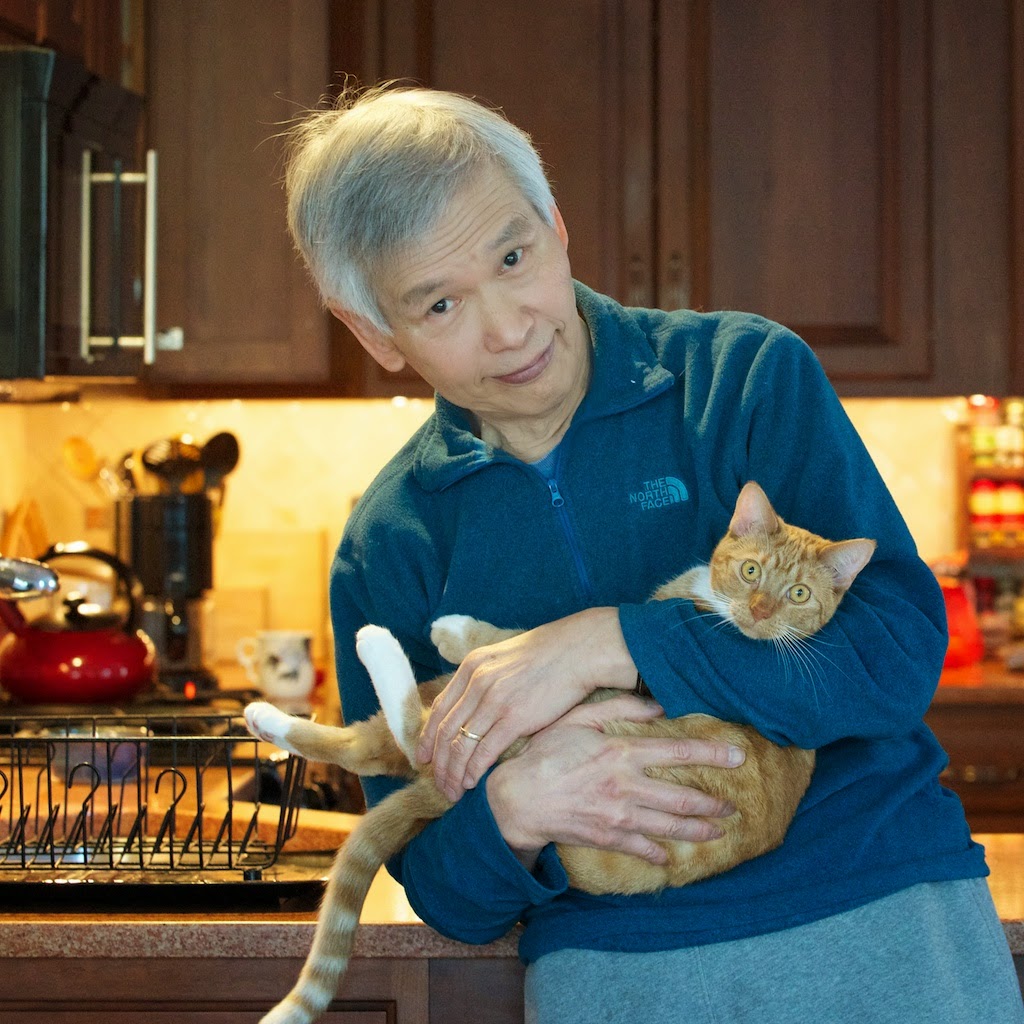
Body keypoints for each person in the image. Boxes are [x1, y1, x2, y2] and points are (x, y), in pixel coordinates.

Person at [284, 85, 1024, 1022]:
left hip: (884, 934)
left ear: (556, 226)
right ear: (374, 335)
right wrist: (515, 812)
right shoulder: (391, 540)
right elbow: (447, 895)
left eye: (515, 256)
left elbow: (894, 660)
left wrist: (610, 641)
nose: (509, 326)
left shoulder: (745, 378)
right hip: (618, 980)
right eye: (439, 304)